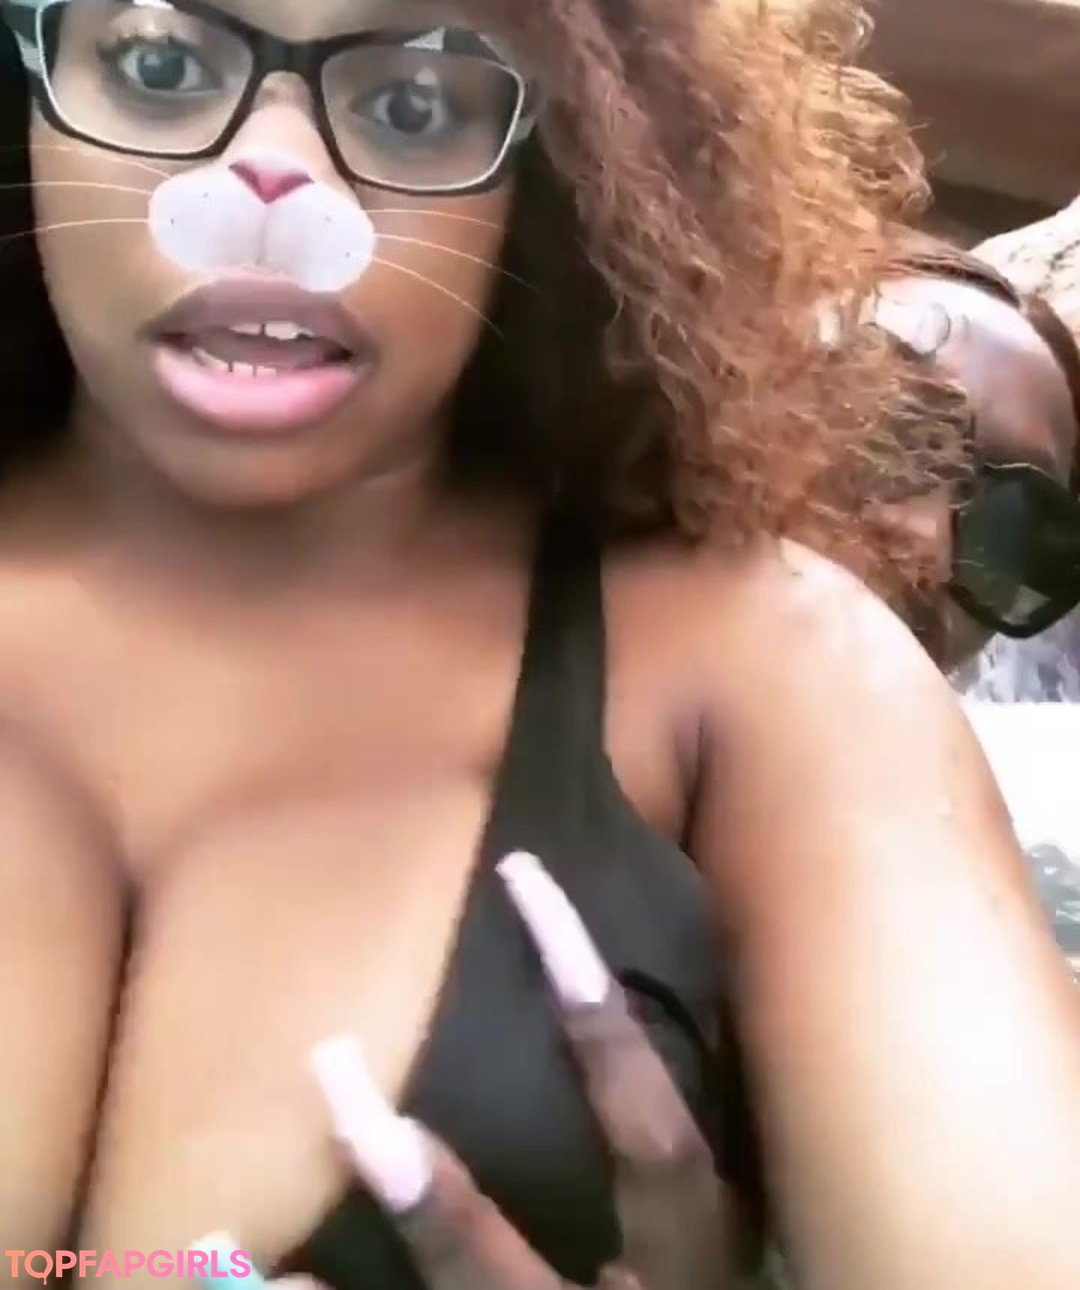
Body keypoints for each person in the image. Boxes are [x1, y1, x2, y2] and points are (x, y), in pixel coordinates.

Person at [0, 3, 1078, 1290]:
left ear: (561, 167)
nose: (271, 181)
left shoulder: (767, 674)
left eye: (411, 103)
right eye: (161, 62)